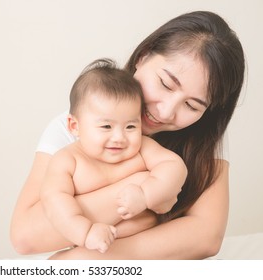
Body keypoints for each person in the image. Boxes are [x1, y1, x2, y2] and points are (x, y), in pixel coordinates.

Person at [10, 11, 245, 259]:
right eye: (165, 84)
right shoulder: (75, 130)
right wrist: (144, 184)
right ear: (143, 56)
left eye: (192, 106)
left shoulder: (202, 136)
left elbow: (206, 237)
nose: (166, 112)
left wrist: (91, 259)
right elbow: (26, 236)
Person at [41, 59, 187, 254]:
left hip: (148, 249)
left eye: (131, 126)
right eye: (106, 126)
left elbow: (174, 166)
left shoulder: (142, 148)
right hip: (95, 250)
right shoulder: (67, 161)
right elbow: (54, 201)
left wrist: (146, 194)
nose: (119, 137)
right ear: (75, 126)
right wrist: (85, 232)